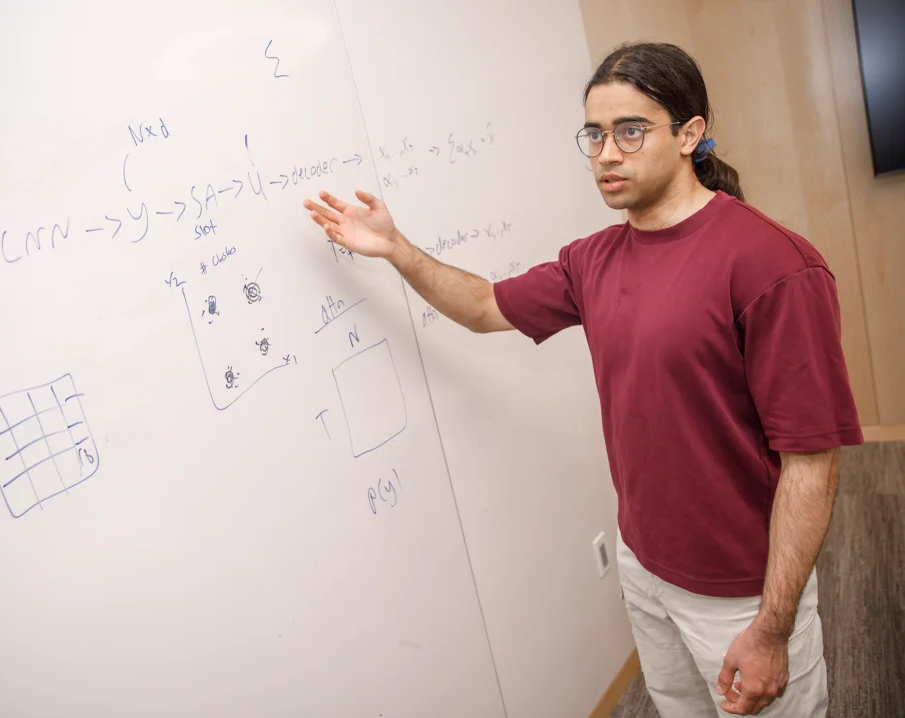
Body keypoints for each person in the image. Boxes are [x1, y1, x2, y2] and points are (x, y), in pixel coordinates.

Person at [303, 41, 863, 717]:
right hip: (644, 564)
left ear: (690, 134)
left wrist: (773, 625)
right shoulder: (591, 260)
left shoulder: (774, 266)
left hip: (741, 590)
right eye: (594, 134)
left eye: (631, 131)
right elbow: (484, 307)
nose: (606, 153)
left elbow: (811, 462)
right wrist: (396, 249)